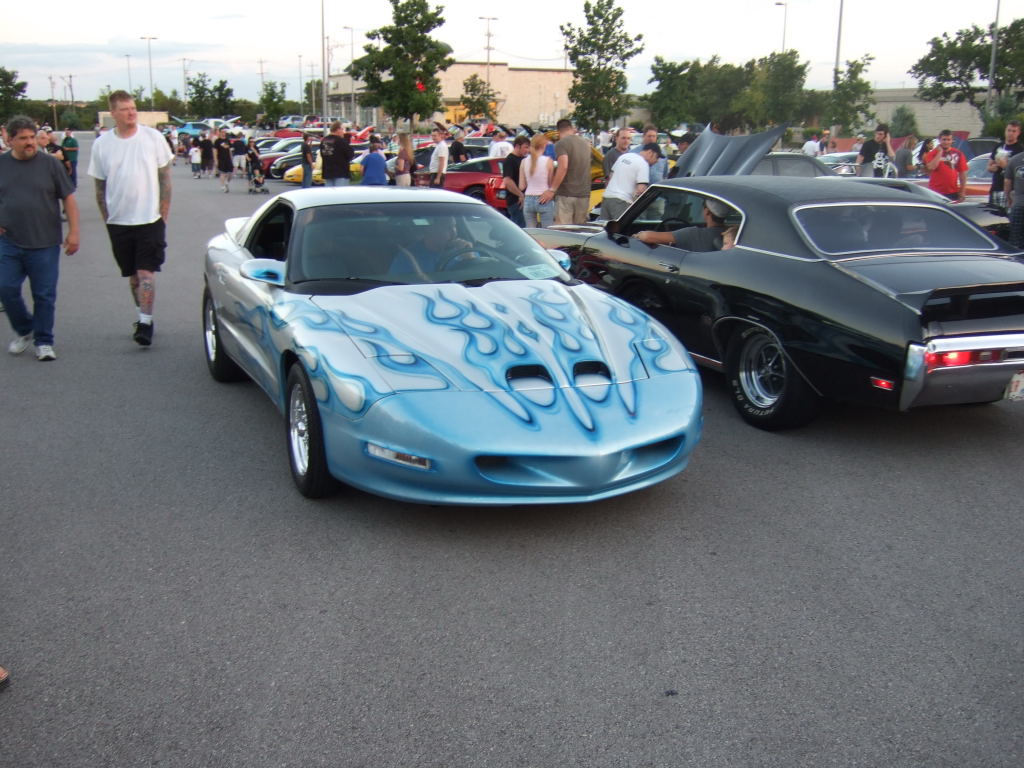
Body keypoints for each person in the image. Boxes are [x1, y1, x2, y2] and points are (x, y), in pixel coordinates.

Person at [88, 90, 172, 347]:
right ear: (113, 113)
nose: (131, 113)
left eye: (133, 108)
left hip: (150, 219)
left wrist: (163, 216)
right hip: (119, 222)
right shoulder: (102, 145)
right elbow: (100, 187)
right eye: (125, 109)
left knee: (146, 272)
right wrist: (107, 219)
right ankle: (142, 315)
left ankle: (145, 323)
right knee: (133, 276)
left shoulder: (153, 138)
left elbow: (165, 180)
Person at [0, 115, 80, 361]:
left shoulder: (50, 165)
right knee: (5, 287)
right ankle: (25, 329)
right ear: (10, 140)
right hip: (9, 241)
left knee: (44, 295)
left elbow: (68, 198)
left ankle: (44, 341)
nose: (29, 142)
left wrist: (74, 232)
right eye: (23, 138)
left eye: (32, 137)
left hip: (45, 242)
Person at [389, 216, 472, 280]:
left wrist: (469, 259)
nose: (454, 232)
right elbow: (397, 285)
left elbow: (475, 280)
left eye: (454, 226)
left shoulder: (463, 251)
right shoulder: (408, 257)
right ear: (430, 230)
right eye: (447, 227)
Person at [543, 119, 592, 225]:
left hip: (566, 194)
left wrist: (552, 190)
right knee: (580, 231)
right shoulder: (586, 143)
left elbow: (563, 167)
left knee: (564, 231)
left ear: (558, 131)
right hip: (584, 194)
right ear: (571, 128)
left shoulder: (561, 143)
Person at [635, 198, 731, 251]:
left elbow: (647, 237)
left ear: (706, 212)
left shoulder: (693, 234)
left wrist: (638, 235)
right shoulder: (731, 234)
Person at [601, 142, 661, 221]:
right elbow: (641, 190)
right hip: (622, 201)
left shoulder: (624, 156)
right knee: (620, 228)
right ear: (650, 152)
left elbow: (610, 177)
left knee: (605, 227)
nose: (657, 161)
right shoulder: (643, 164)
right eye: (657, 157)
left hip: (607, 198)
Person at [520, 133, 555, 228]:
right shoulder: (548, 161)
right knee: (548, 232)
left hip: (528, 199)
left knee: (531, 232)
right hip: (544, 198)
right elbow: (550, 184)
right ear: (544, 145)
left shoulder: (524, 162)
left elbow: (521, 186)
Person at [924, 129, 967, 202]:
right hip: (935, 192)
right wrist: (940, 152)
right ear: (939, 140)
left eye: (948, 140)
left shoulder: (958, 153)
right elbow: (931, 167)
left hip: (953, 191)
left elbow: (962, 173)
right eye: (944, 139)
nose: (946, 142)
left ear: (952, 140)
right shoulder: (932, 153)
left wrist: (962, 191)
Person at [987, 120, 1022, 207]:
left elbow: (1019, 173)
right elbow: (988, 167)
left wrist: (1005, 166)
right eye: (1009, 130)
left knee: (1006, 214)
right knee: (992, 213)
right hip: (995, 188)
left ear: (1018, 133)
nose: (1010, 133)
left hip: (1010, 190)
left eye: (1014, 131)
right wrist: (994, 167)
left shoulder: (1020, 150)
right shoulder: (998, 146)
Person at [501, 135, 530, 226]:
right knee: (520, 228)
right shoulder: (510, 160)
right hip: (516, 201)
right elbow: (507, 181)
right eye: (525, 147)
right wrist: (520, 195)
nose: (527, 150)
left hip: (525, 199)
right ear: (517, 146)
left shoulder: (524, 159)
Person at [320, 121, 354, 187]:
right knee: (340, 192)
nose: (343, 132)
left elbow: (323, 154)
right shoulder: (341, 141)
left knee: (329, 192)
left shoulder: (324, 141)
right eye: (342, 129)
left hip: (327, 172)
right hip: (341, 172)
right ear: (338, 129)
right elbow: (350, 154)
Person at [1004, 148, 1024, 247]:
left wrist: (1009, 200)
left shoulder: (1015, 159)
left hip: (1018, 205)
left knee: (1016, 240)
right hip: (1018, 204)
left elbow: (1007, 182)